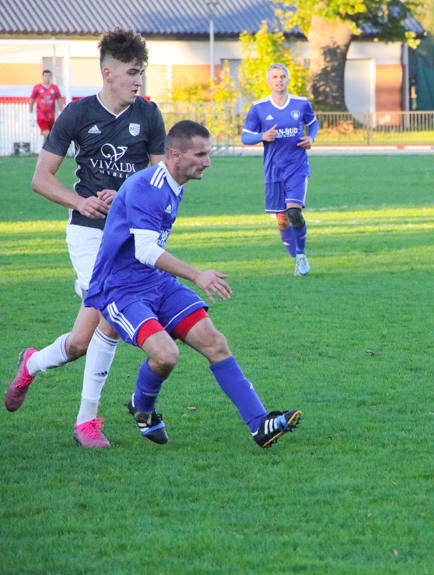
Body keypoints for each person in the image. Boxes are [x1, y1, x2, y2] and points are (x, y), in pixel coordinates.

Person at [84, 120, 302, 448]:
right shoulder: (150, 185)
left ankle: (260, 424)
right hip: (121, 288)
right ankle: (142, 409)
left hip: (155, 281)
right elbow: (144, 250)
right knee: (166, 355)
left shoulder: (173, 182)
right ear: (174, 154)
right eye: (200, 154)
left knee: (215, 342)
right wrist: (198, 275)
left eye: (208, 154)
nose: (207, 162)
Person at [5, 28, 166, 449]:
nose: (138, 81)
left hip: (133, 238)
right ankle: (86, 422)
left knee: (79, 342)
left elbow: (161, 180)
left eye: (142, 73)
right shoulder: (77, 114)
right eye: (132, 73)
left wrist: (129, 193)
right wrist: (79, 202)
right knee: (111, 315)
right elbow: (41, 180)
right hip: (88, 236)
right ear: (107, 71)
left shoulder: (149, 115)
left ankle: (31, 363)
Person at [241, 63, 318, 277]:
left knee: (294, 212)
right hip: (273, 170)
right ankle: (296, 258)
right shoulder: (259, 107)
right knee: (282, 219)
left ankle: (301, 254)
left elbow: (313, 123)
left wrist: (311, 137)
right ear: (268, 81)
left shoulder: (301, 103)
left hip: (297, 167)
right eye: (275, 77)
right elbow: (245, 136)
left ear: (288, 79)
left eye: (282, 76)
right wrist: (262, 137)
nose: (279, 80)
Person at [29, 70, 65, 138]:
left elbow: (59, 101)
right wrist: (30, 115)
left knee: (51, 137)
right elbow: (31, 101)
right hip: (41, 116)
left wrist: (63, 113)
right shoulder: (37, 87)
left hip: (51, 117)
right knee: (46, 133)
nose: (47, 77)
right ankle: (46, 148)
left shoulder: (55, 88)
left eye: (49, 76)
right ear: (42, 77)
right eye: (45, 76)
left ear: (51, 77)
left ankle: (44, 148)